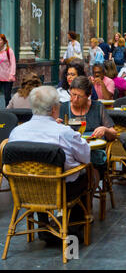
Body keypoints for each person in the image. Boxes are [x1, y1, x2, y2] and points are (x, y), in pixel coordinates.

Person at [9, 85, 91, 243]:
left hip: (23, 190)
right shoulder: (64, 132)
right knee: (84, 173)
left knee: (40, 178)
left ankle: (43, 224)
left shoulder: (16, 132)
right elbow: (86, 157)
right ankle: (72, 227)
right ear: (54, 108)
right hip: (59, 191)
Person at [59, 76, 117, 140]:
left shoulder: (98, 107)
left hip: (95, 148)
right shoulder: (63, 107)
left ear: (88, 96)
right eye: (73, 94)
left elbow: (114, 135)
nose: (75, 99)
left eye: (80, 96)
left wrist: (106, 130)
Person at [0, 34, 16, 107]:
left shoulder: (9, 51)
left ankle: (8, 111)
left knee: (7, 96)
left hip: (7, 78)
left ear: (4, 41)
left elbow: (13, 63)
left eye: (0, 40)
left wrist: (12, 75)